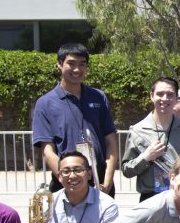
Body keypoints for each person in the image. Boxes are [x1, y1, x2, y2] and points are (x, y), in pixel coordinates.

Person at [32, 43, 119, 195]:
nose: (77, 70)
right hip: (67, 185)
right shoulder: (45, 103)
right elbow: (47, 151)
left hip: (100, 183)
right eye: (71, 64)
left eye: (82, 64)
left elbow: (110, 141)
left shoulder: (98, 97)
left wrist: (107, 181)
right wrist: (67, 179)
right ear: (59, 64)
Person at [122, 77, 180, 202]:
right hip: (149, 198)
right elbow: (126, 170)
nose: (164, 99)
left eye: (170, 95)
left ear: (176, 97)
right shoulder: (137, 130)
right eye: (160, 94)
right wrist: (146, 157)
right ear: (152, 96)